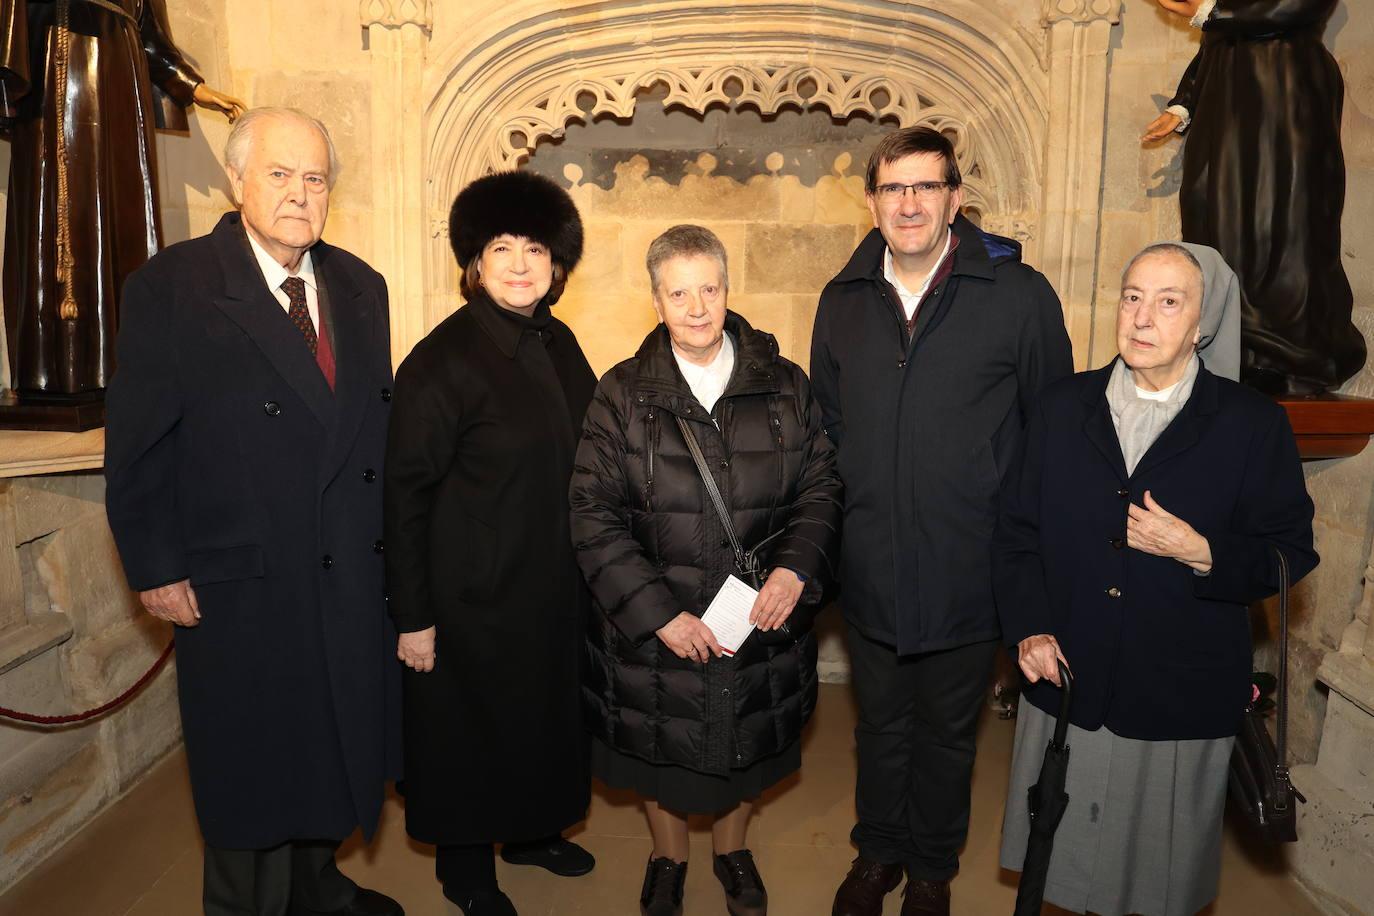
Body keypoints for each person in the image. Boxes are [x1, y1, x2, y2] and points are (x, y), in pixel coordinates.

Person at [104, 107, 402, 916]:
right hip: (242, 577)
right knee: (252, 771)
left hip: (342, 567)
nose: (300, 194)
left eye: (316, 178)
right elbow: (136, 446)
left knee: (332, 744)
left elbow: (367, 431)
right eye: (279, 173)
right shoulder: (173, 286)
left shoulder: (358, 284)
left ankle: (317, 886)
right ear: (237, 179)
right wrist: (156, 566)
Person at [994, 242, 1319, 916]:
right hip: (1069, 676)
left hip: (1178, 692)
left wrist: (1204, 552)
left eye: (1168, 302)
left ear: (1202, 324)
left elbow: (1291, 555)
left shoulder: (1252, 426)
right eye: (1133, 296)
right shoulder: (1060, 407)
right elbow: (1015, 533)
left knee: (1152, 883)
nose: (1142, 317)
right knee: (1063, 870)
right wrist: (1026, 628)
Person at [811, 126, 1073, 916]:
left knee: (949, 734)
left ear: (956, 197)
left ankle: (930, 868)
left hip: (970, 565)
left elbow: (1051, 433)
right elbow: (825, 429)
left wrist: (1034, 563)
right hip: (873, 562)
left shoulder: (1019, 296)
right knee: (880, 726)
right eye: (894, 189)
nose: (911, 204)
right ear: (872, 201)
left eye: (927, 187)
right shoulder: (843, 299)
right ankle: (877, 853)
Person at [570, 224, 842, 916]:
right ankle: (667, 858)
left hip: (760, 616)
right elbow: (592, 514)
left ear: (727, 290)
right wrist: (658, 614)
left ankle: (732, 851)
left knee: (746, 749)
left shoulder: (783, 385)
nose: (697, 308)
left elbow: (823, 486)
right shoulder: (622, 395)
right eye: (679, 293)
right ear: (656, 300)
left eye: (710, 289)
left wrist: (795, 571)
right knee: (661, 755)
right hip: (661, 624)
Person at [384, 171, 597, 916]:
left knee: (541, 715)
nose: (518, 264)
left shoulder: (560, 341)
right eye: (500, 247)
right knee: (466, 731)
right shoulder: (440, 360)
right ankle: (465, 866)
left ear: (557, 264)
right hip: (467, 594)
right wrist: (412, 616)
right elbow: (403, 497)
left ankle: (533, 832)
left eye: (535, 249)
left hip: (549, 583)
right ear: (473, 264)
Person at [1, 0, 243, 397]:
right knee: (61, 212)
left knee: (122, 222)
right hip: (59, 61)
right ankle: (54, 371)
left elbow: (152, 37)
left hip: (122, 86)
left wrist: (193, 86)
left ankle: (120, 368)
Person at [1142, 0, 1364, 395]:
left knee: (1282, 222)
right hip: (1224, 113)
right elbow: (1215, 42)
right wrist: (1183, 105)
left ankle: (1286, 357)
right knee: (1213, 217)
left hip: (1283, 100)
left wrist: (1208, 10)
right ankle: (1233, 349)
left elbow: (1289, 7)